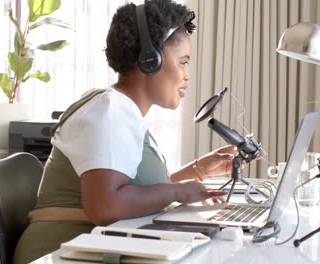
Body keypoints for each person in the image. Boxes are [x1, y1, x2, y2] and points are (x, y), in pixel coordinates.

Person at [13, 1, 237, 263]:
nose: (187, 75)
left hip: (90, 251)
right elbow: (105, 207)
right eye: (183, 62)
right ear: (150, 60)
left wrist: (199, 170)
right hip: (56, 253)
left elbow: (134, 192)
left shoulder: (120, 110)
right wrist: (177, 192)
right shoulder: (109, 110)